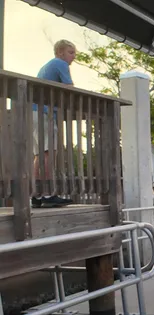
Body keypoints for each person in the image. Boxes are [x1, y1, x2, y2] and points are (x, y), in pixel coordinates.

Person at [32, 39, 77, 208]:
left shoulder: (46, 66)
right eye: (71, 53)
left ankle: (36, 194)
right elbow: (69, 87)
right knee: (49, 152)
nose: (73, 57)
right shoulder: (60, 63)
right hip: (44, 112)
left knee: (40, 154)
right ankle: (48, 193)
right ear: (60, 52)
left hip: (36, 111)